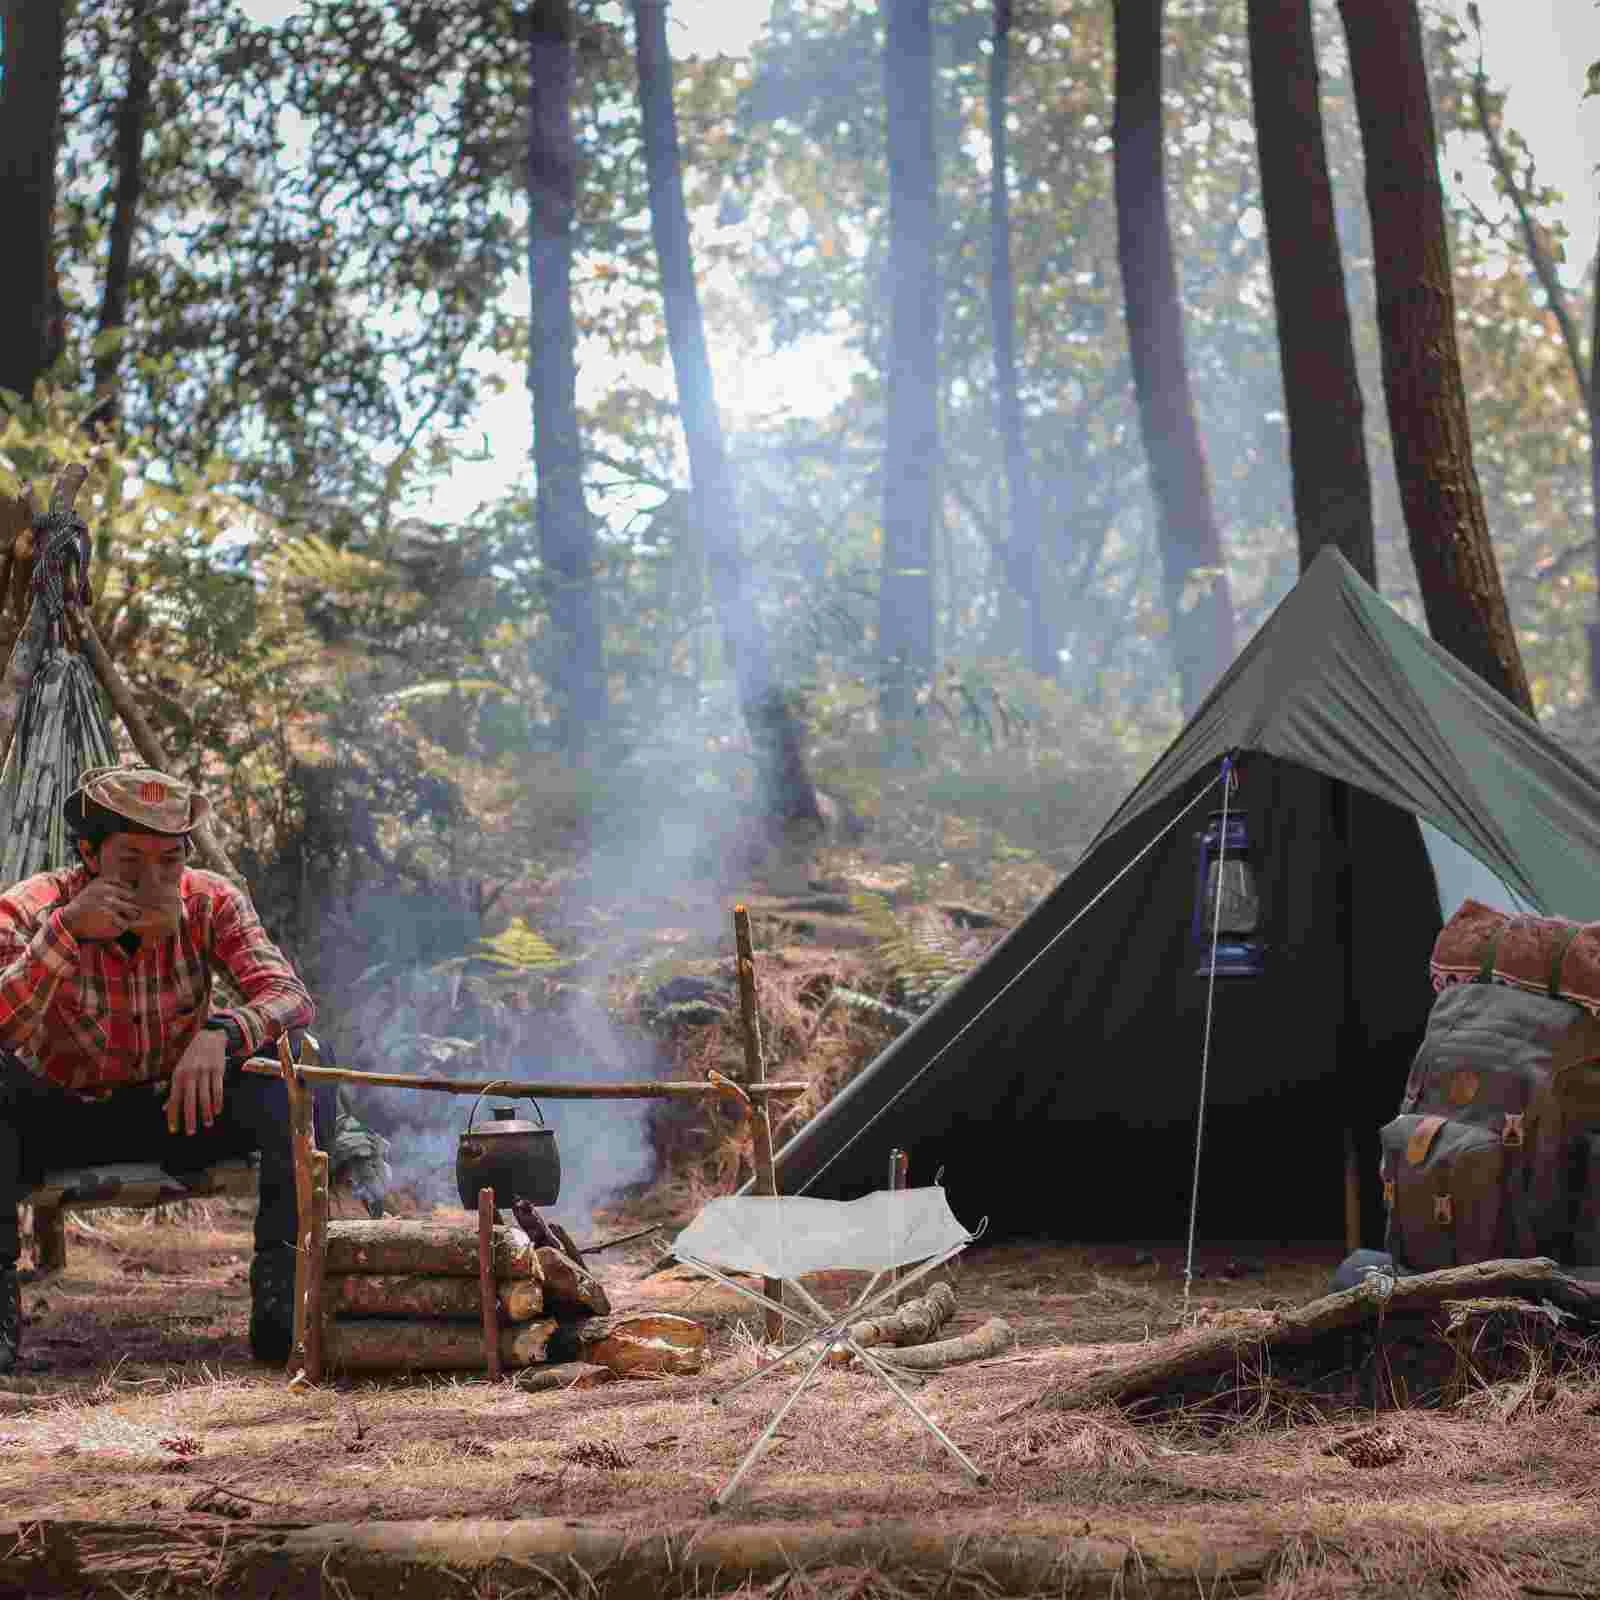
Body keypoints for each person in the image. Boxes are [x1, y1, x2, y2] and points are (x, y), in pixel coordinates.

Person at [0, 764, 320, 1373]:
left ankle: (283, 1302)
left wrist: (222, 1034)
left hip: (175, 1110)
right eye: (130, 863)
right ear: (89, 859)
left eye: (168, 861)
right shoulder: (32, 907)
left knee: (300, 1065)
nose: (154, 881)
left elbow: (288, 995)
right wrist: (66, 933)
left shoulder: (209, 900)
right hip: (59, 1117)